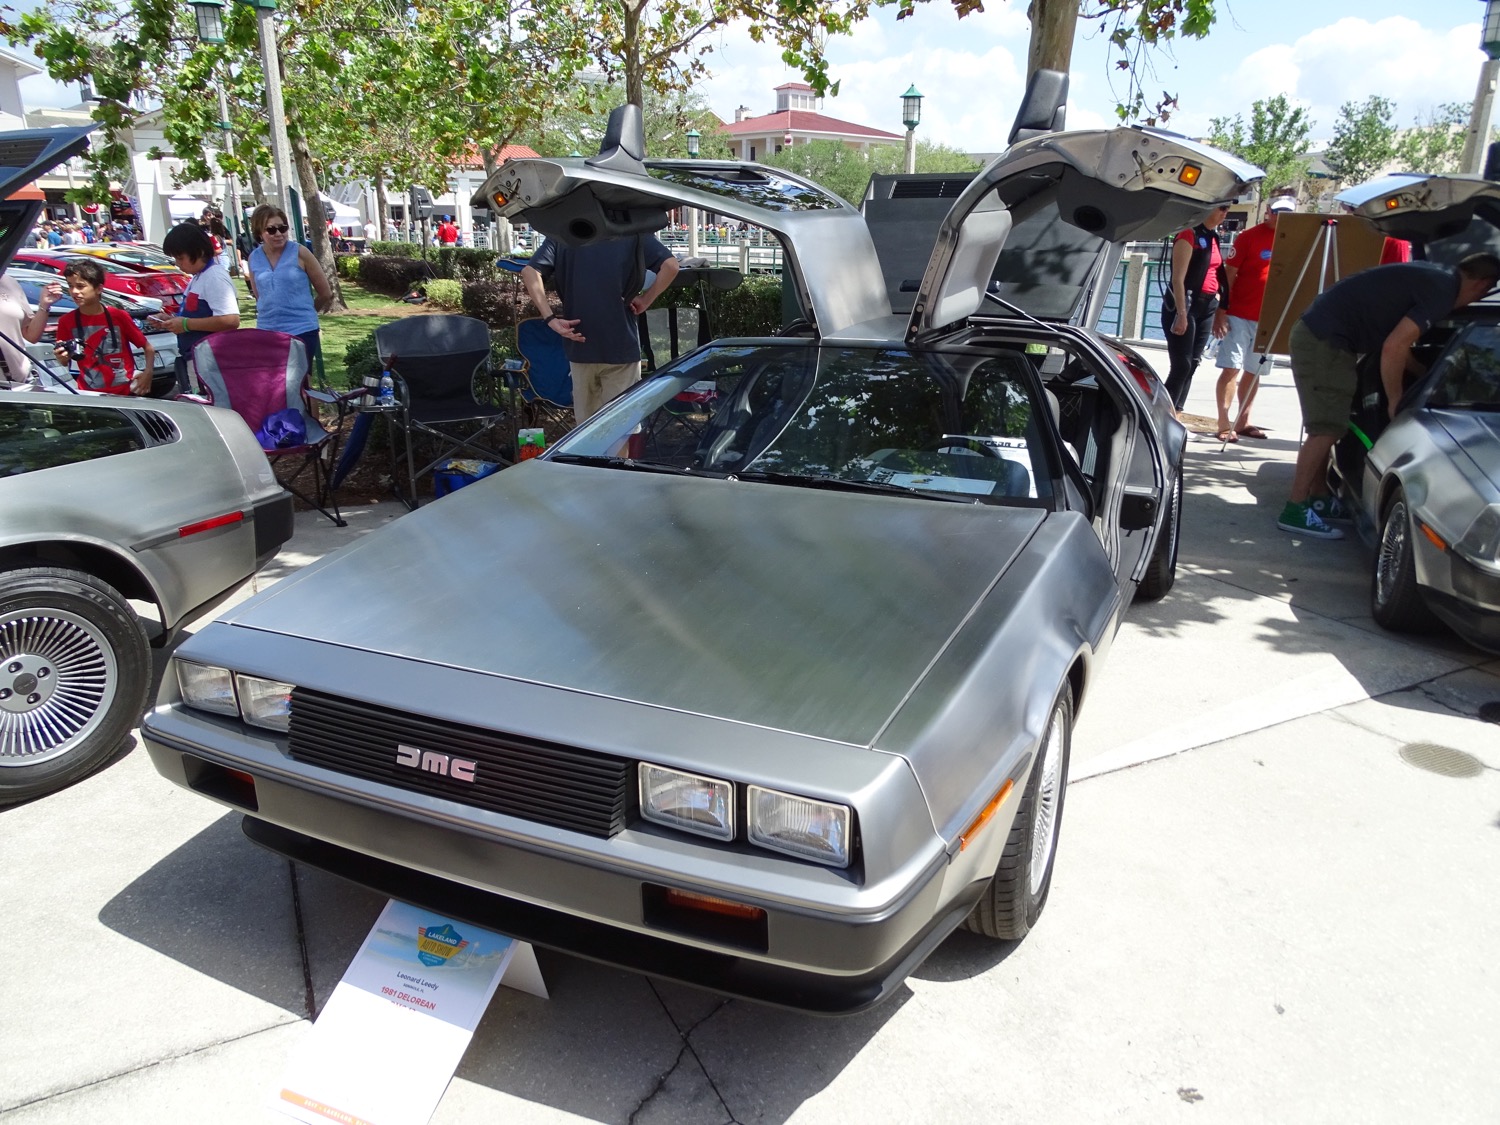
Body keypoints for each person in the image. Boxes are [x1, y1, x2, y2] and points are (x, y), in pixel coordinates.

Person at [1277, 252, 1500, 539]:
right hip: (1324, 341)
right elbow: (1394, 347)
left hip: (1322, 336)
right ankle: (1295, 509)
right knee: (1326, 428)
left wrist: (1422, 372)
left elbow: (1397, 344)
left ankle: (1318, 498)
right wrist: (1396, 400)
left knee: (1328, 425)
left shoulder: (1438, 277)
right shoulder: (1443, 291)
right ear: (1482, 285)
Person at [521, 232, 680, 425]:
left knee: (586, 431)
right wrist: (646, 299)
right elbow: (671, 266)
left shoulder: (563, 233)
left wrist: (550, 319)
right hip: (621, 344)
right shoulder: (633, 231)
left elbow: (530, 272)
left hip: (580, 343)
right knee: (621, 429)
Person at [1211, 196, 1296, 442]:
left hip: (1269, 319)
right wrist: (1221, 311)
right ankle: (1224, 422)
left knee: (1254, 369)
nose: (1281, 217)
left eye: (1287, 213)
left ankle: (1244, 420)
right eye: (1277, 212)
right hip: (1238, 314)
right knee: (1231, 367)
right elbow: (1229, 275)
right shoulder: (1248, 237)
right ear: (1268, 211)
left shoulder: (1294, 240)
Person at [33, 260, 153, 395]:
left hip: (125, 393)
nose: (74, 291)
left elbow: (148, 348)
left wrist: (148, 373)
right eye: (70, 286)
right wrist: (61, 357)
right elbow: (65, 361)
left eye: (80, 286)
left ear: (99, 289)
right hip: (89, 394)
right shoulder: (66, 321)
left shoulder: (118, 316)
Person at [151, 221, 241, 392]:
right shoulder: (199, 277)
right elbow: (197, 316)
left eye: (180, 258)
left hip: (212, 361)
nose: (177, 263)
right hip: (199, 359)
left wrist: (186, 324)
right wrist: (171, 320)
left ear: (198, 252)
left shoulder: (215, 277)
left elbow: (231, 320)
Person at [245, 203, 334, 370]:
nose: (279, 233)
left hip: (301, 330)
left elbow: (325, 293)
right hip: (267, 331)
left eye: (282, 228)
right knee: (270, 380)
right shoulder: (254, 258)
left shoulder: (301, 253)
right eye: (271, 230)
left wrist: (307, 313)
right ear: (259, 232)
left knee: (299, 381)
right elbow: (259, 296)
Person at [1161, 202, 1230, 412]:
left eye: (1227, 209)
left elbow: (1219, 274)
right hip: (1185, 306)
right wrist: (1181, 313)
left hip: (1207, 306)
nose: (1225, 213)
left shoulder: (1213, 237)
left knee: (1193, 363)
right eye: (1222, 208)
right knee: (1182, 365)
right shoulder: (1188, 234)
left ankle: (1176, 412)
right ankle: (1161, 412)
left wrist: (1221, 307)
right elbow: (1178, 279)